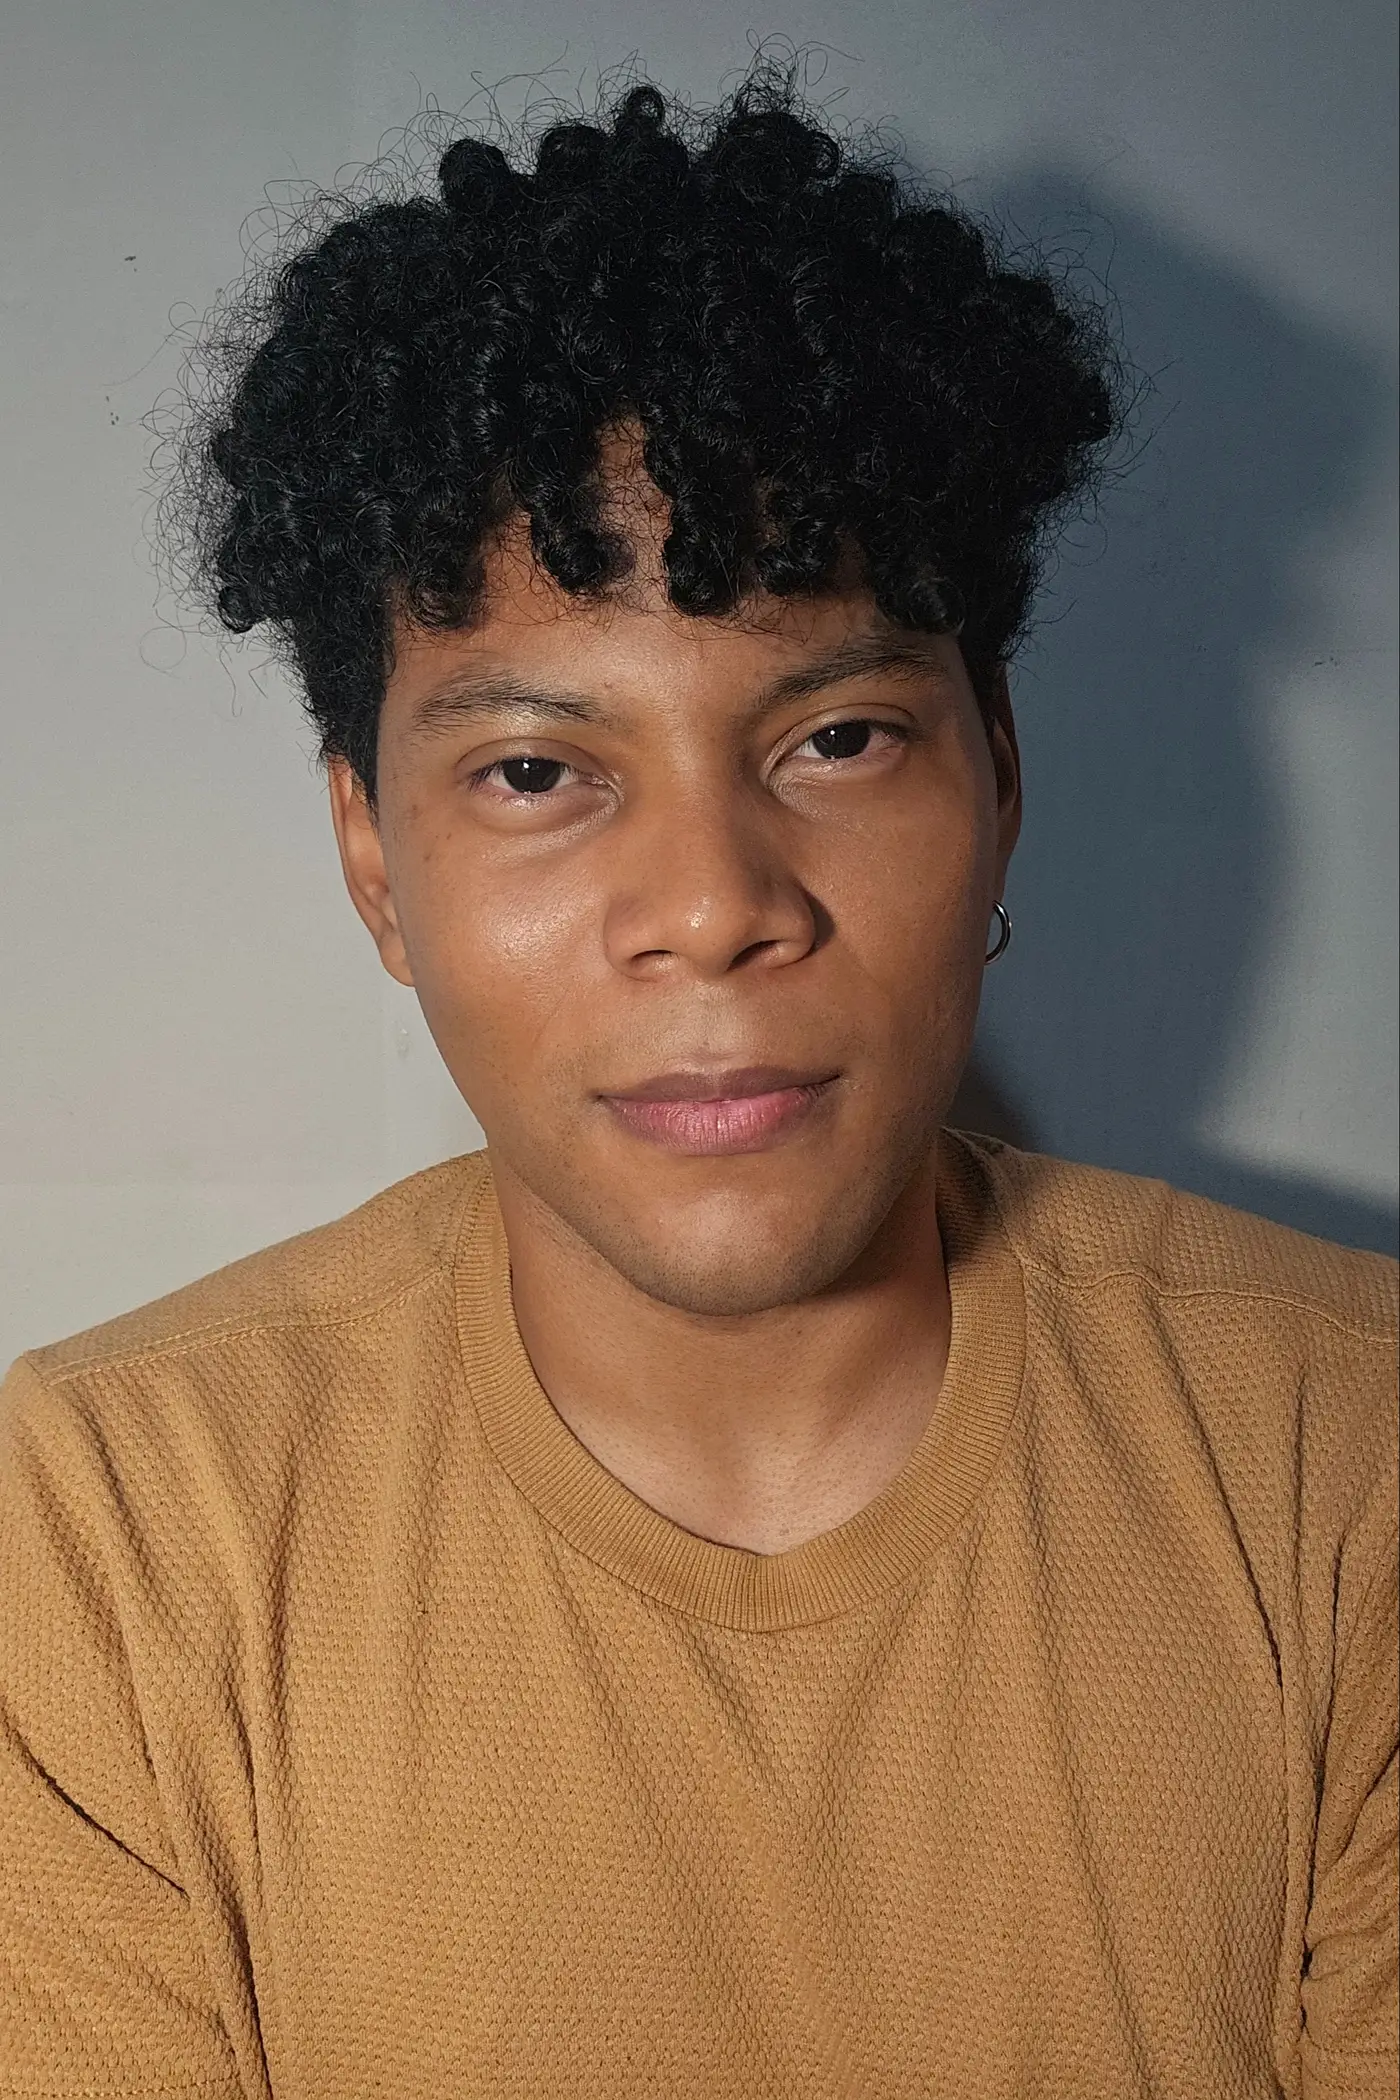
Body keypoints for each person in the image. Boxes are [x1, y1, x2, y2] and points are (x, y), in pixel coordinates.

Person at [1, 69, 1394, 2100]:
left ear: (998, 773)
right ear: (373, 860)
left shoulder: (1354, 1465)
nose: (715, 907)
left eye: (836, 740)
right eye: (537, 771)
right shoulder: (98, 1538)